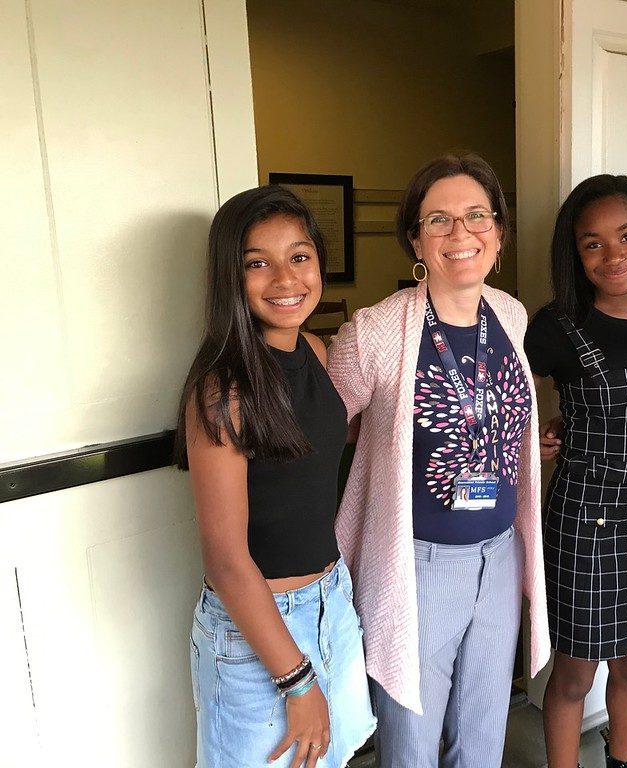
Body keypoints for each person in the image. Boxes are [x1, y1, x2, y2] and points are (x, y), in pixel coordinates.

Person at [327, 153, 551, 767]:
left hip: (498, 554)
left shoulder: (510, 315)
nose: (461, 234)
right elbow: (319, 434)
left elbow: (496, 411)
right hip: (417, 563)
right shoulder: (375, 333)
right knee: (411, 740)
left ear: (499, 235)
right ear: (415, 241)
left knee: (483, 726)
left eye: (477, 216)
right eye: (439, 220)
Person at [175, 186, 375, 768]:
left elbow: (313, 444)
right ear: (229, 279)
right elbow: (226, 559)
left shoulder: (314, 348)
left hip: (332, 601)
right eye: (258, 263)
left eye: (300, 256)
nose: (286, 279)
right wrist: (297, 681)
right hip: (259, 625)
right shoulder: (222, 390)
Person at [525, 174, 627, 768]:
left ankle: (626, 763)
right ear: (575, 251)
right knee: (576, 666)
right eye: (592, 242)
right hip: (582, 511)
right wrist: (542, 431)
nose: (613, 254)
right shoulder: (555, 325)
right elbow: (512, 394)